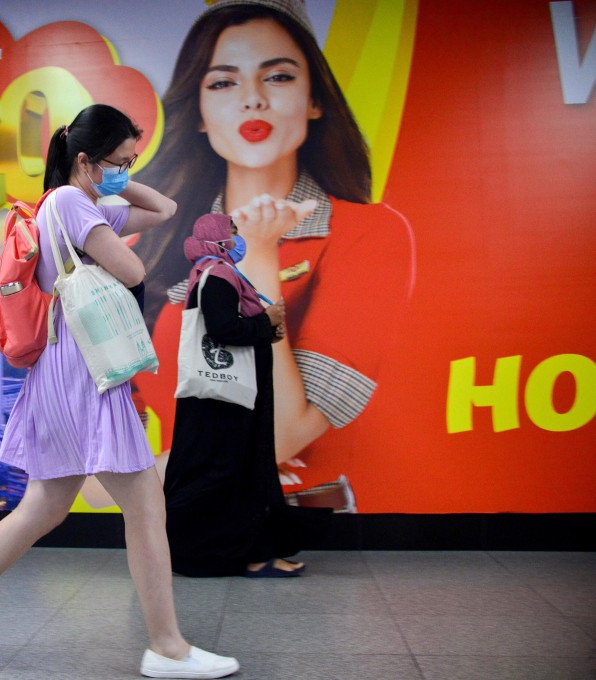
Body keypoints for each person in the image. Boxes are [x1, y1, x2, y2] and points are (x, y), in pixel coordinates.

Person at [0, 104, 240, 679]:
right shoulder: (69, 203)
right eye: (116, 161)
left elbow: (162, 209)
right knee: (142, 502)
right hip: (84, 367)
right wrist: (95, 183)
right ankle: (166, 647)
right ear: (85, 161)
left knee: (44, 505)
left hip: (67, 367)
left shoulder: (77, 205)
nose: (125, 172)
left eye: (130, 161)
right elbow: (136, 274)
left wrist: (113, 174)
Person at [132, 0, 416, 511]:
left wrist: (260, 256)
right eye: (223, 83)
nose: (253, 101)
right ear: (197, 112)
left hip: (299, 520)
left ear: (315, 100)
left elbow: (286, 432)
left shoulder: (369, 234)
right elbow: (116, 421)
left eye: (278, 77)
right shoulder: (158, 248)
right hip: (181, 517)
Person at [164, 213, 330, 578]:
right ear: (217, 238)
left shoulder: (213, 273)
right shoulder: (219, 275)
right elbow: (223, 328)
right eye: (232, 234)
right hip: (226, 399)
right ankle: (241, 554)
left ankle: (245, 552)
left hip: (222, 397)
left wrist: (263, 326)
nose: (238, 240)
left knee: (228, 471)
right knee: (230, 471)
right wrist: (265, 320)